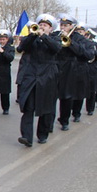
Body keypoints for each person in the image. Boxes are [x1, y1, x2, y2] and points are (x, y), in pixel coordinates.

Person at [16, 14, 61, 146]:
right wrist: (33, 35)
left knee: (45, 107)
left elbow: (56, 48)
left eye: (45, 25)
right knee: (28, 107)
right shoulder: (32, 38)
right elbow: (21, 48)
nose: (41, 27)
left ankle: (42, 134)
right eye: (40, 24)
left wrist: (44, 36)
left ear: (50, 29)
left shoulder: (55, 38)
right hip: (31, 76)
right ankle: (26, 137)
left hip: (47, 76)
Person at [54, 15, 91, 131]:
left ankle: (64, 120)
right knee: (52, 95)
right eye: (62, 25)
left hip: (70, 69)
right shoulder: (56, 35)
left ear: (71, 26)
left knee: (66, 96)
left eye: (66, 25)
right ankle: (48, 123)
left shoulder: (78, 38)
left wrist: (69, 42)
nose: (63, 27)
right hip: (56, 66)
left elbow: (81, 52)